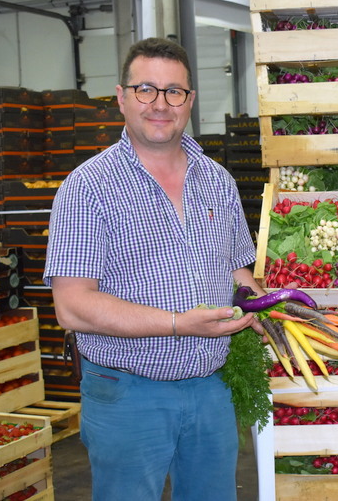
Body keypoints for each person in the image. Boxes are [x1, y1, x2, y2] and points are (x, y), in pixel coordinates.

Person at [43, 36, 266, 501]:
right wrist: (178, 324)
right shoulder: (88, 188)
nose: (160, 104)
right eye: (146, 89)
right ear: (121, 97)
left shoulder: (218, 181)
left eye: (174, 91)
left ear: (190, 100)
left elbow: (237, 273)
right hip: (129, 393)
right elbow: (73, 307)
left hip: (211, 388)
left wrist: (260, 304)